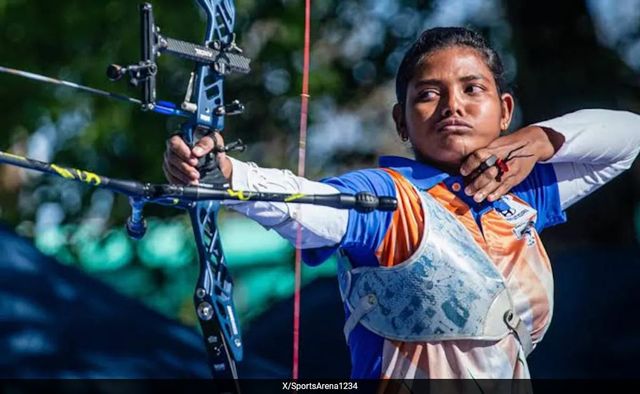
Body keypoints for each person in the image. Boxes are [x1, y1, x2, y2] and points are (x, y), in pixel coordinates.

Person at [163, 27, 640, 380]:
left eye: (473, 89)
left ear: (505, 111)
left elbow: (629, 138)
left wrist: (542, 139)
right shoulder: (391, 197)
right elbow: (310, 204)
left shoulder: (516, 191)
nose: (453, 105)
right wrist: (225, 174)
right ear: (402, 121)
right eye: (428, 95)